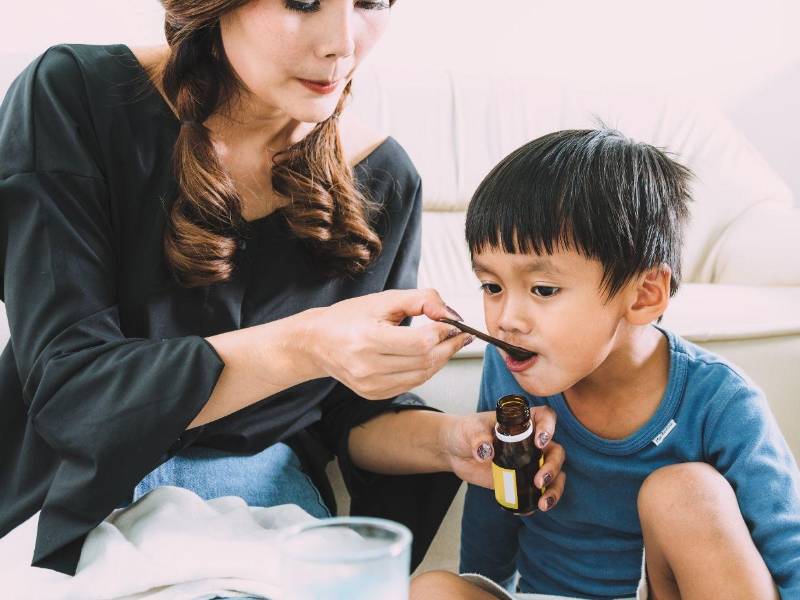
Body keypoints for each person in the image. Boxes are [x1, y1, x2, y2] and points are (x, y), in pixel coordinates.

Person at [0, 0, 571, 577]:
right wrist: (309, 343)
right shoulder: (75, 96)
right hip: (72, 494)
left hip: (257, 505)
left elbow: (350, 414)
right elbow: (69, 395)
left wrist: (451, 441)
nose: (343, 44)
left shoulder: (384, 179)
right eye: (303, 1)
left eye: (371, 2)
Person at [409, 129, 800, 600]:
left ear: (643, 294)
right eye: (492, 287)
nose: (506, 318)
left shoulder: (721, 400)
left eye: (543, 290)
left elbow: (789, 554)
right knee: (433, 589)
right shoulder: (511, 364)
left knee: (686, 492)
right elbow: (494, 504)